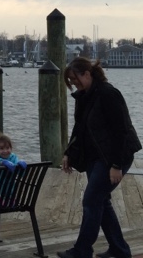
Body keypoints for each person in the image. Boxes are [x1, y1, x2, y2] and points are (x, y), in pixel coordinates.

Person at [57, 57, 141, 258]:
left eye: (75, 78)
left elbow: (121, 131)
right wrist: (68, 152)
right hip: (94, 158)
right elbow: (80, 128)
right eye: (70, 81)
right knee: (101, 201)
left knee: (91, 200)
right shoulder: (84, 96)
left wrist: (116, 165)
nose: (74, 83)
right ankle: (119, 250)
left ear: (87, 74)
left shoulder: (108, 94)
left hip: (115, 157)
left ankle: (82, 250)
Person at [0, 133, 27, 206]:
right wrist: (1, 162)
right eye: (1, 148)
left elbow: (19, 173)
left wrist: (21, 165)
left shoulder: (13, 157)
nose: (5, 151)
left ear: (11, 148)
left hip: (6, 192)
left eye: (7, 148)